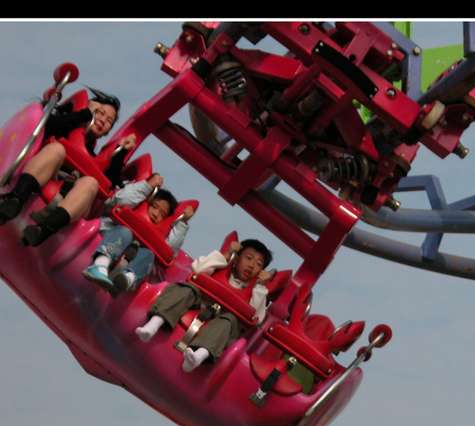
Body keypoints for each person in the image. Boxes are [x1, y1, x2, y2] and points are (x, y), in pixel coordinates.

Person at [0, 86, 136, 246]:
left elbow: (108, 184)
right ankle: (14, 200)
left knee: (91, 183)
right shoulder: (64, 126)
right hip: (42, 178)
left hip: (69, 201)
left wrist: (120, 152)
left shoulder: (94, 158)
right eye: (100, 112)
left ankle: (42, 231)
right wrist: (84, 114)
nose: (103, 120)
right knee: (57, 149)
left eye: (109, 121)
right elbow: (48, 125)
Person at [135, 238, 274, 372]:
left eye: (258, 264)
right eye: (248, 258)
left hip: (223, 320)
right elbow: (198, 269)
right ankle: (153, 325)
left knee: (229, 320)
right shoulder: (220, 266)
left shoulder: (257, 291)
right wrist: (225, 255)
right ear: (237, 258)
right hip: (200, 303)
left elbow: (256, 317)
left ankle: (198, 356)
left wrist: (261, 287)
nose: (251, 265)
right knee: (187, 289)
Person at [82, 172, 194, 294]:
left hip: (133, 256)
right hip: (109, 234)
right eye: (154, 207)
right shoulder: (134, 204)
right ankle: (99, 265)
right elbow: (120, 200)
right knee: (125, 232)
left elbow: (169, 250)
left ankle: (127, 279)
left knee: (149, 255)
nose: (156, 214)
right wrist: (147, 186)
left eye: (162, 214)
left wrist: (182, 223)